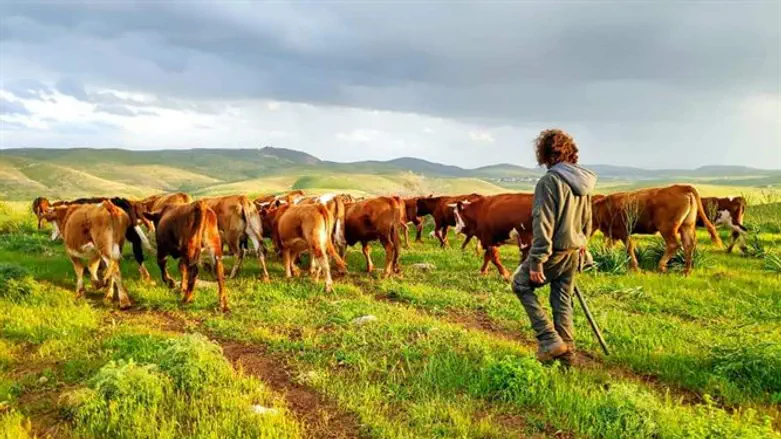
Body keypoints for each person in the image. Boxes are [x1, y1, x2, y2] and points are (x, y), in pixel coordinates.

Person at [512, 129, 597, 367]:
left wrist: (537, 259)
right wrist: (583, 244)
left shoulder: (550, 181)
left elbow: (543, 222)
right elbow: (588, 219)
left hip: (555, 251)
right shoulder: (583, 182)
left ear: (545, 154)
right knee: (562, 300)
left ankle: (549, 339)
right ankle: (567, 357)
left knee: (519, 284)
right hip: (574, 250)